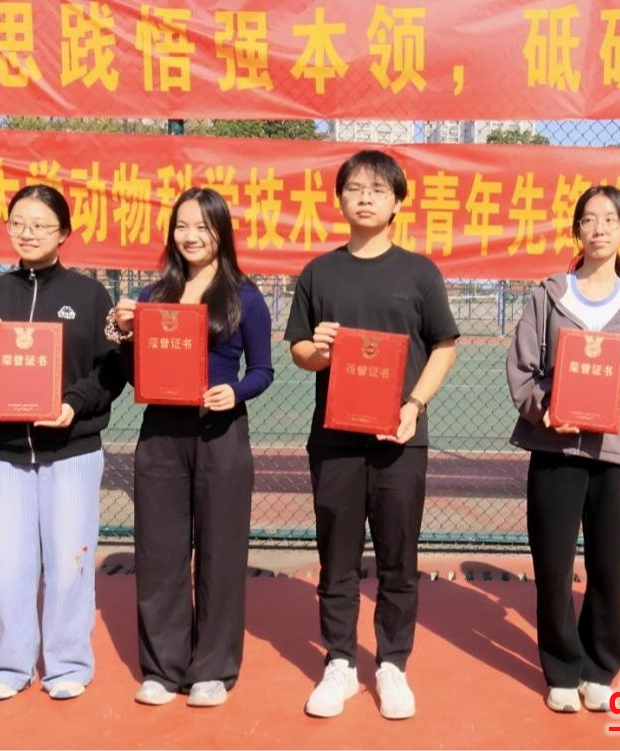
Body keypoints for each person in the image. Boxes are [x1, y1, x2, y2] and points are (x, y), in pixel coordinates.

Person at [283, 150, 459, 720]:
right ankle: (339, 662)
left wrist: (414, 404)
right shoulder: (319, 272)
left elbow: (444, 345)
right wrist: (319, 351)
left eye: (378, 190)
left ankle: (392, 664)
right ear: (339, 199)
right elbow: (300, 351)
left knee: (397, 558)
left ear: (397, 203)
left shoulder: (420, 273)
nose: (365, 197)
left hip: (400, 439)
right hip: (334, 440)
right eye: (355, 188)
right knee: (336, 557)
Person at [505, 185, 620, 714]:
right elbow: (522, 370)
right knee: (553, 563)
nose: (598, 229)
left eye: (609, 220)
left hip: (614, 453)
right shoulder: (548, 297)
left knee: (606, 563)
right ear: (576, 230)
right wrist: (545, 409)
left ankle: (600, 668)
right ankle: (561, 669)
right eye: (589, 219)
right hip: (556, 450)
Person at [0, 184, 126, 702]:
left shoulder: (89, 295)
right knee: (9, 564)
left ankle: (68, 663)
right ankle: (8, 665)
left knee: (69, 561)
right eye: (18, 223)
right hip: (6, 450)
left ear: (64, 233)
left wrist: (74, 403)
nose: (27, 233)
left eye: (40, 225)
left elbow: (111, 370)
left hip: (72, 448)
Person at [107, 187, 274, 708]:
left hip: (221, 433)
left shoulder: (245, 296)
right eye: (182, 225)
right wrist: (124, 333)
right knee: (159, 552)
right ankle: (163, 668)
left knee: (222, 552)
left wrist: (235, 392)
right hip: (161, 435)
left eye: (203, 226)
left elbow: (263, 370)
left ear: (221, 231)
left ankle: (212, 670)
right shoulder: (153, 294)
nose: (191, 236)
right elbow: (133, 374)